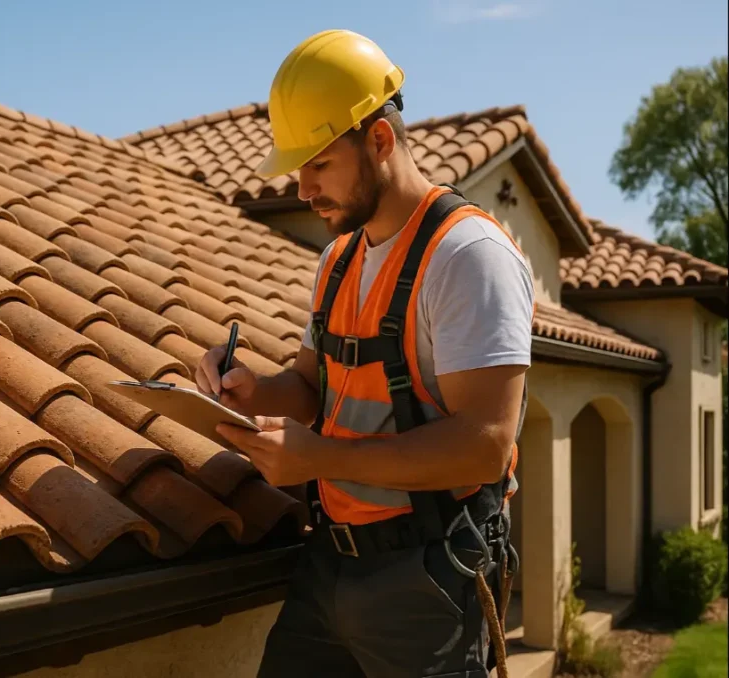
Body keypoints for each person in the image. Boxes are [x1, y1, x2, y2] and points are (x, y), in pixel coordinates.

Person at [194, 29, 536, 677]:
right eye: (299, 170)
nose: (303, 190)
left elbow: (484, 445)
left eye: (319, 166)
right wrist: (246, 387)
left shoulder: (467, 257)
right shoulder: (337, 260)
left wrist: (317, 457)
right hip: (329, 567)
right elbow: (308, 387)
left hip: (428, 582)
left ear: (380, 139)